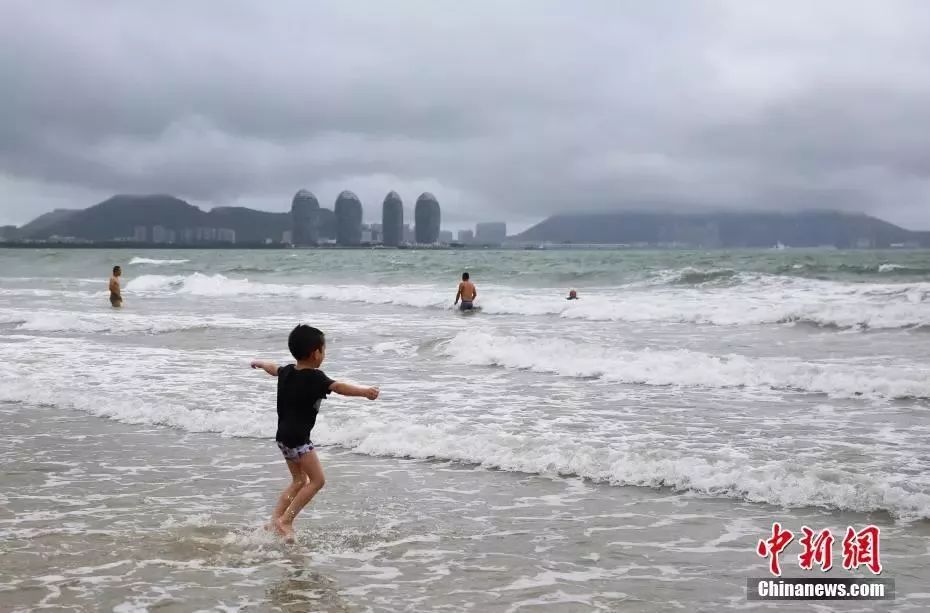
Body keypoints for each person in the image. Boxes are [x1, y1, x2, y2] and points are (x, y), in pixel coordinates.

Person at [251, 324, 379, 541]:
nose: (324, 354)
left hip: (283, 438)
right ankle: (286, 521)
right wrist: (364, 392)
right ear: (315, 353)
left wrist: (261, 363)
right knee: (317, 481)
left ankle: (274, 521)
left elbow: (273, 368)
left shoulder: (287, 371)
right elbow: (339, 387)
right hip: (299, 441)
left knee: (298, 481)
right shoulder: (316, 377)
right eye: (324, 349)